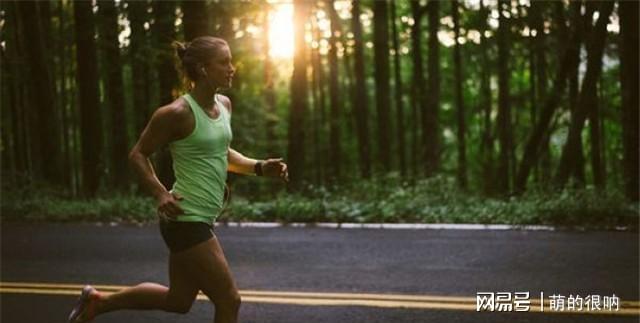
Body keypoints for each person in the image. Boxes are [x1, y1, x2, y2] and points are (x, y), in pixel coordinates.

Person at [67, 36, 288, 323]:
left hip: (200, 219)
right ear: (204, 68)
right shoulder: (176, 113)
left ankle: (97, 303)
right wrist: (160, 193)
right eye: (224, 62)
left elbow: (220, 152)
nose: (232, 68)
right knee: (229, 300)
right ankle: (96, 303)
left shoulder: (224, 105)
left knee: (179, 300)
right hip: (186, 219)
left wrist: (259, 167)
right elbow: (138, 154)